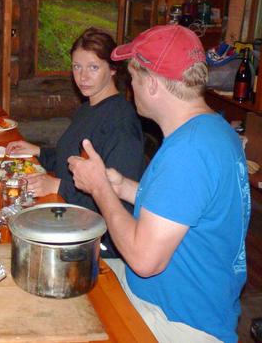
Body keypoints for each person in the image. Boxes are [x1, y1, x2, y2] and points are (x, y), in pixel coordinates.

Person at [68, 25, 250, 342]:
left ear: (152, 85)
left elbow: (144, 259)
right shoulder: (212, 131)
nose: (130, 87)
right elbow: (181, 208)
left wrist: (99, 188)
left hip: (180, 320)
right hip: (187, 300)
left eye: (134, 79)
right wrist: (121, 186)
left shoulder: (188, 152)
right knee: (70, 272)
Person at [6, 28, 144, 258]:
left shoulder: (120, 123)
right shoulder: (89, 107)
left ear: (112, 69)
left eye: (93, 67)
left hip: (97, 244)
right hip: (67, 214)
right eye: (76, 67)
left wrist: (59, 187)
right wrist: (39, 151)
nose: (82, 77)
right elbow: (70, 158)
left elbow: (118, 200)